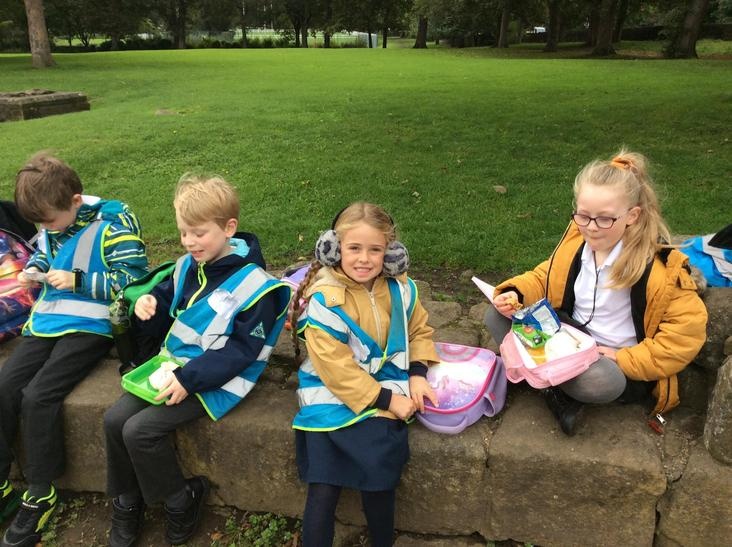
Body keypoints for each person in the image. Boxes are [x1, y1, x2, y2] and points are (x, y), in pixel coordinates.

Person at [103, 175, 291, 547]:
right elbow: (166, 301)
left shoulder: (255, 286)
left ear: (229, 228)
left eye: (199, 233)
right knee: (114, 420)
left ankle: (181, 498)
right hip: (174, 366)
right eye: (183, 233)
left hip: (217, 380)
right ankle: (127, 499)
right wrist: (148, 305)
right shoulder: (188, 265)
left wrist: (189, 379)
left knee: (140, 431)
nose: (189, 242)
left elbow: (240, 352)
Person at [484, 149, 708, 436]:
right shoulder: (576, 245)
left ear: (632, 215)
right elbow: (545, 277)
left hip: (608, 359)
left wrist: (625, 359)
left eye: (604, 219)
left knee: (603, 382)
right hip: (568, 335)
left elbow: (684, 337)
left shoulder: (659, 270)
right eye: (583, 216)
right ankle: (551, 383)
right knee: (495, 316)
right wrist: (515, 294)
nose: (591, 228)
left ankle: (538, 376)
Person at [0, 153, 148, 547]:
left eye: (48, 221)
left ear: (76, 201)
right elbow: (46, 251)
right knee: (5, 386)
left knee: (38, 395)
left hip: (90, 326)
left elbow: (132, 282)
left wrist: (77, 280)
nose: (44, 228)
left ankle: (40, 491)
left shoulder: (113, 226)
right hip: (48, 323)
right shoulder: (54, 218)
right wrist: (35, 268)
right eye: (40, 224)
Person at [290, 202, 439, 547]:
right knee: (323, 487)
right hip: (331, 398)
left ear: (391, 252)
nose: (364, 259)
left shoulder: (401, 289)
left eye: (375, 250)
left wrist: (418, 373)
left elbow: (419, 330)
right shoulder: (324, 300)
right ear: (333, 248)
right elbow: (336, 369)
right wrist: (388, 400)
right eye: (354, 248)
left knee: (379, 477)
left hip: (382, 393)